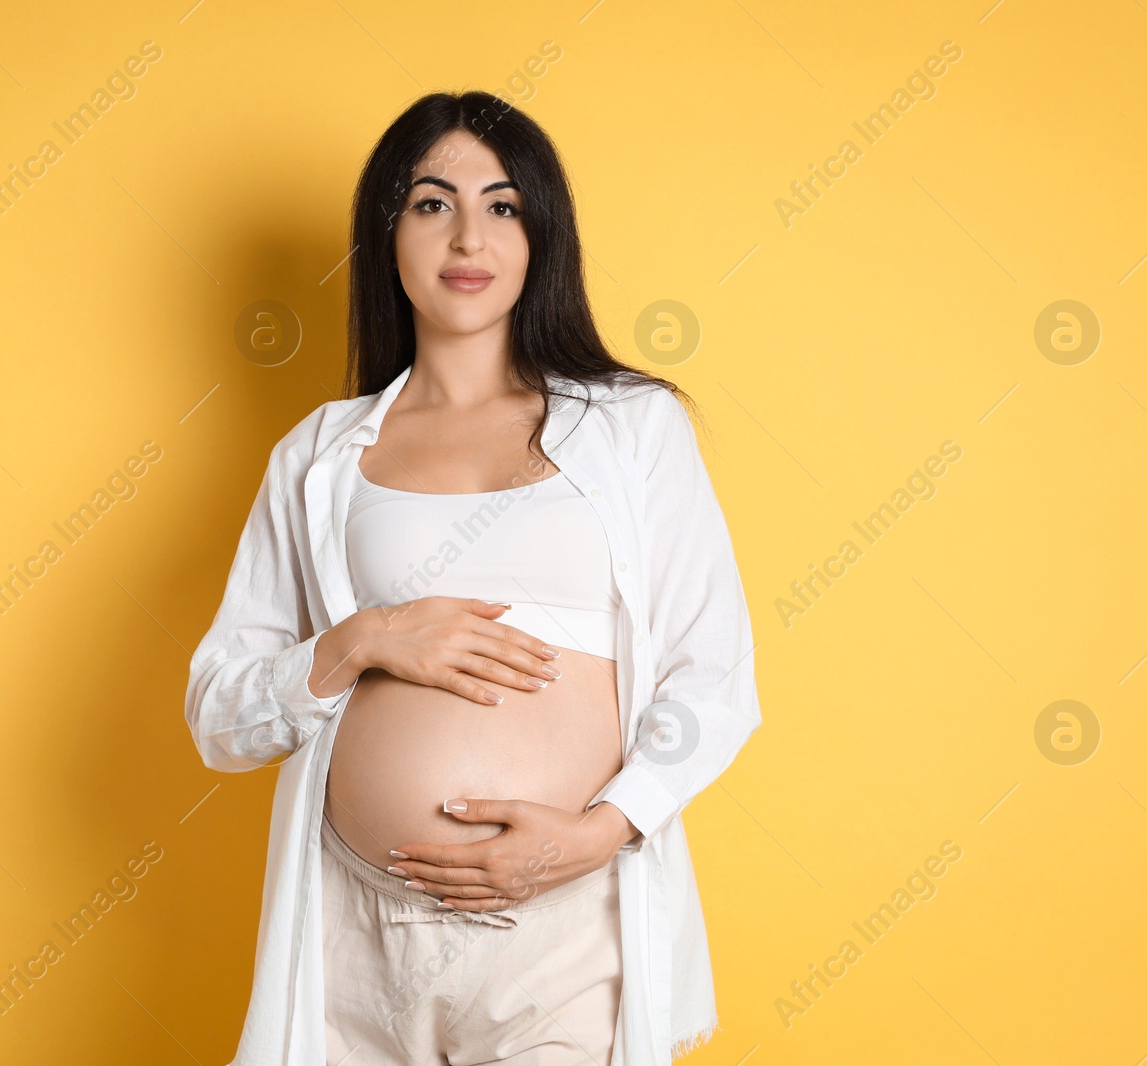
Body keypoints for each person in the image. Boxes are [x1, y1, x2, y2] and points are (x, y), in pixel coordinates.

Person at [186, 90, 762, 1065]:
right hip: (352, 941)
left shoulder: (628, 427)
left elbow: (715, 671)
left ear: (541, 236)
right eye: (430, 202)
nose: (467, 235)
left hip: (564, 931)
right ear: (387, 232)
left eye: (502, 205)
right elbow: (218, 717)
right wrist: (358, 641)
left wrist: (601, 832)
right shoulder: (319, 458)